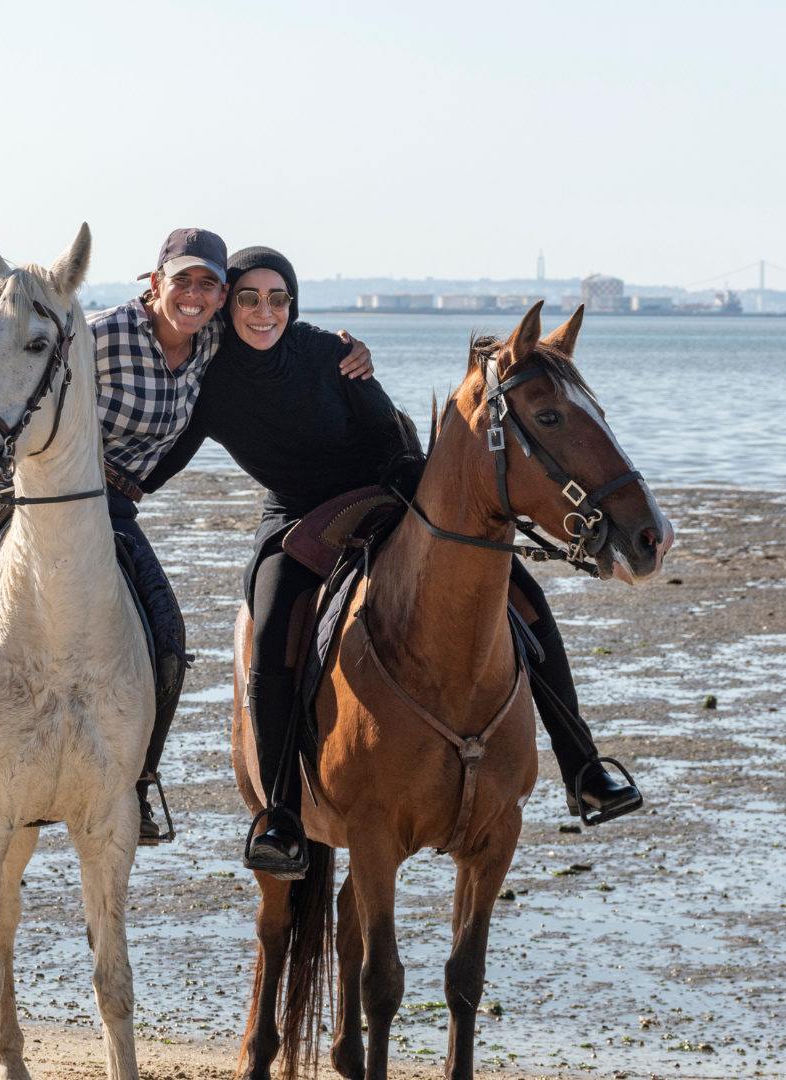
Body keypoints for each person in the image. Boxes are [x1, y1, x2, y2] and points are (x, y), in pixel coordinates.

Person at [0, 228, 375, 844]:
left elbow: (276, 331)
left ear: (221, 297)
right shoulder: (98, 334)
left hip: (113, 506)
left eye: (208, 285)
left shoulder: (214, 342)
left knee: (168, 632)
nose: (194, 296)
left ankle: (135, 784)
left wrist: (346, 349)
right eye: (182, 281)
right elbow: (19, 364)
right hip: (31, 490)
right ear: (155, 281)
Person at [141, 246, 642, 879]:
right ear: (228, 305)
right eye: (249, 298)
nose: (264, 311)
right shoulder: (212, 382)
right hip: (297, 517)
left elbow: (386, 428)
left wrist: (427, 502)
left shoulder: (330, 353)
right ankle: (281, 815)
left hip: (388, 492)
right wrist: (109, 483)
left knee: (520, 591)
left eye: (278, 298)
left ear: (292, 305)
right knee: (269, 632)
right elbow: (164, 460)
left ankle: (584, 767)